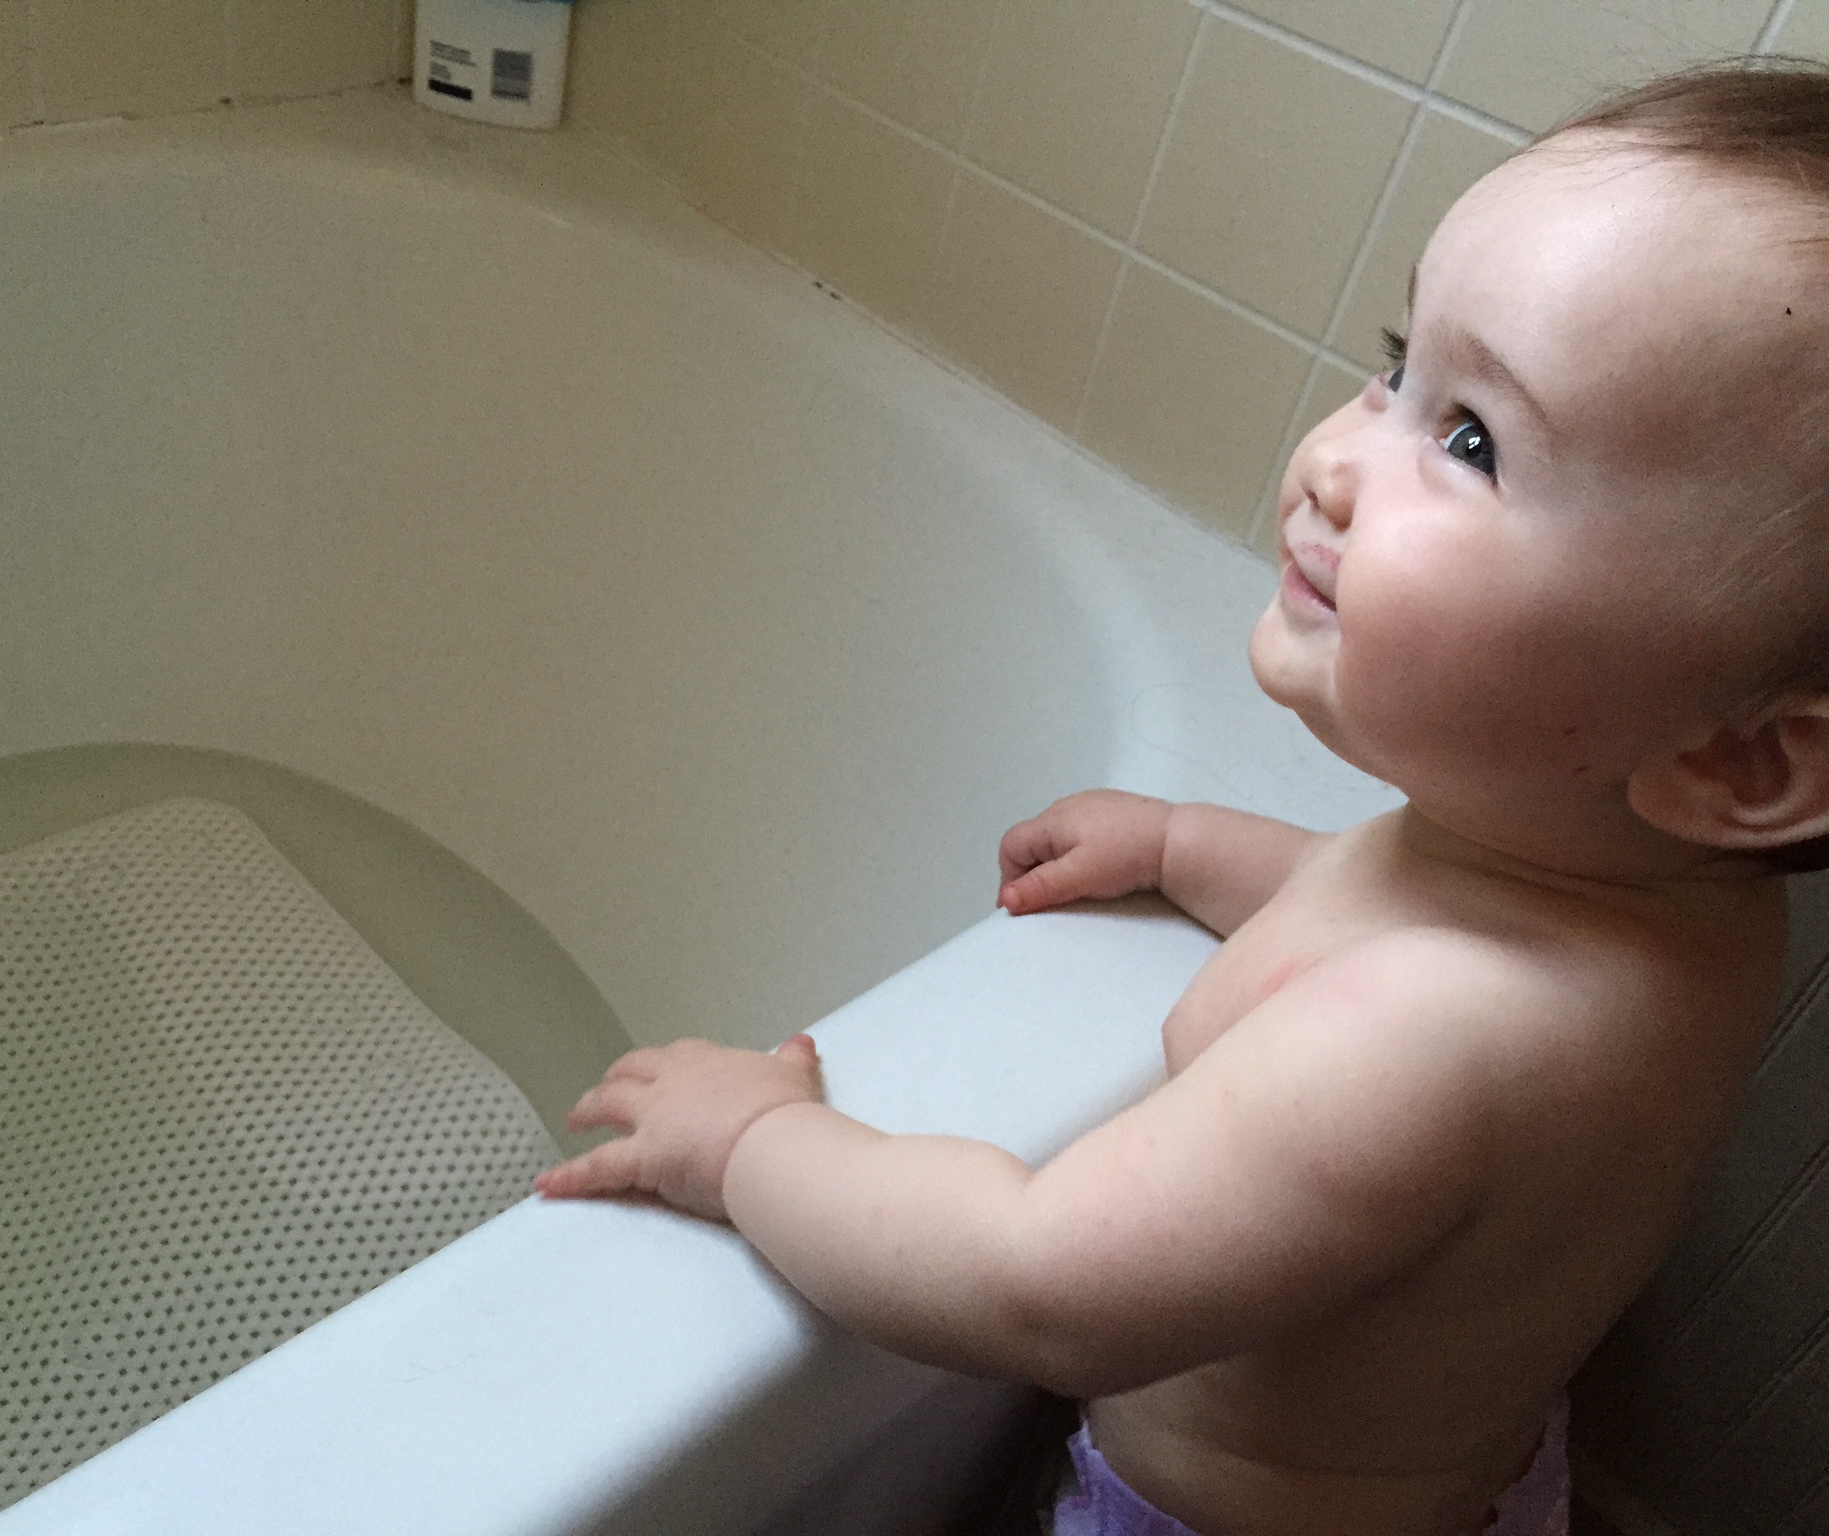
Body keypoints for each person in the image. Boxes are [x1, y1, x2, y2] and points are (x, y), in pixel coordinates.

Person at [534, 62, 1829, 1536]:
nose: (1334, 461)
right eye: (1398, 366)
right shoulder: (1645, 900)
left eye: (1470, 440)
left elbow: (1032, 1281)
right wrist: (1182, 845)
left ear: (1744, 767)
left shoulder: (1421, 1050)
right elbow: (1379, 906)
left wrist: (751, 1145)